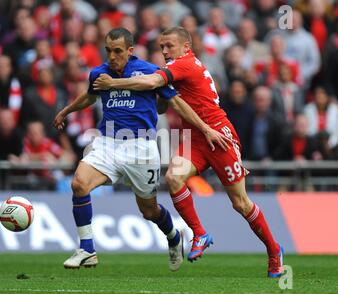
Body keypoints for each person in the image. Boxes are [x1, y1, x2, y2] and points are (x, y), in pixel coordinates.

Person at [93, 26, 284, 278]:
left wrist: (113, 83)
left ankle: (274, 250)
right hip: (194, 137)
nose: (164, 50)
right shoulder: (175, 71)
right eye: (161, 46)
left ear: (186, 47)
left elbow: (151, 81)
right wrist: (156, 93)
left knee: (240, 203)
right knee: (173, 178)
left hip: (218, 135)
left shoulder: (185, 64)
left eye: (169, 45)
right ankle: (200, 234)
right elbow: (162, 106)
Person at [54, 28, 229, 271]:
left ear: (130, 51)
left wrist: (205, 128)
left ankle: (174, 237)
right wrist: (66, 111)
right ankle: (87, 249)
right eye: (108, 51)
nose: (112, 56)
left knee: (149, 211)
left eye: (117, 51)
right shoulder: (99, 73)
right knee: (79, 184)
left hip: (141, 148)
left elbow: (176, 102)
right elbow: (90, 96)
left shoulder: (149, 72)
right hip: (107, 143)